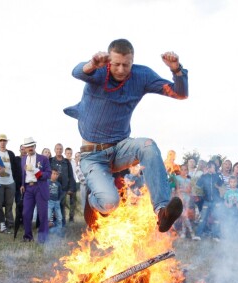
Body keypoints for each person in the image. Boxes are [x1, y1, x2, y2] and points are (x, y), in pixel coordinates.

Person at [64, 38, 187, 232]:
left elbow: (180, 93)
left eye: (126, 65)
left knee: (148, 145)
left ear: (132, 62)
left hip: (121, 148)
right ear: (109, 61)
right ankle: (93, 200)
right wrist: (93, 64)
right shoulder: (99, 71)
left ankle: (162, 211)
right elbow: (77, 71)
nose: (121, 70)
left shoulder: (141, 75)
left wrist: (177, 70)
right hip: (93, 155)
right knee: (110, 203)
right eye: (116, 65)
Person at [20, 137, 51, 243]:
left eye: (32, 146)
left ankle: (43, 238)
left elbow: (48, 174)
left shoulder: (43, 158)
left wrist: (36, 172)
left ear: (35, 146)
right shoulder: (23, 159)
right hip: (28, 188)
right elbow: (22, 174)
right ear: (25, 148)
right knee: (26, 213)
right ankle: (28, 236)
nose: (30, 148)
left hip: (40, 187)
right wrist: (22, 184)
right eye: (28, 146)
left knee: (42, 214)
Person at [0, 134, 20, 233]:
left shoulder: (11, 153)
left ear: (6, 142)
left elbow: (15, 168)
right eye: (0, 141)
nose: (2, 142)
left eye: (4, 141)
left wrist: (16, 181)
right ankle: (0, 223)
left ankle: (9, 223)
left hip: (10, 182)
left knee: (9, 204)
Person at [193, 161, 222, 241]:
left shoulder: (218, 175)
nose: (211, 168)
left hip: (216, 201)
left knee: (217, 218)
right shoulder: (204, 176)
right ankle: (198, 235)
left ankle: (216, 236)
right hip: (206, 201)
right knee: (203, 218)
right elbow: (198, 185)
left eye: (212, 167)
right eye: (209, 167)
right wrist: (203, 175)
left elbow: (221, 183)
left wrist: (216, 174)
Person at [50, 143, 75, 227]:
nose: (59, 150)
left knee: (61, 206)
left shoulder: (67, 162)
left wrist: (71, 188)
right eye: (57, 149)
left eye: (60, 149)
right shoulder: (50, 160)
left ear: (62, 150)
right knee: (52, 206)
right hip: (52, 188)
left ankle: (62, 225)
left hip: (64, 188)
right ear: (54, 150)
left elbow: (71, 176)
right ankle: (52, 225)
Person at [65, 147, 80, 222]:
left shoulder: (74, 162)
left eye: (70, 153)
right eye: (67, 153)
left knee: (73, 201)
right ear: (65, 154)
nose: (69, 154)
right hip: (64, 183)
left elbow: (77, 172)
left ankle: (71, 217)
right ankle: (62, 217)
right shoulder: (63, 162)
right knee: (62, 201)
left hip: (73, 182)